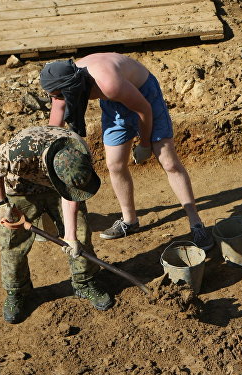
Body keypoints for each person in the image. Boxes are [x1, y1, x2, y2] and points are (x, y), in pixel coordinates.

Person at [39, 53, 213, 250]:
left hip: (144, 95)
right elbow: (54, 130)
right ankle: (130, 221)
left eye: (55, 95)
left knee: (169, 162)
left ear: (68, 88)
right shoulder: (60, 85)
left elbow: (144, 110)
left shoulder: (106, 82)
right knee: (115, 164)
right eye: (52, 96)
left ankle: (196, 223)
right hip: (114, 106)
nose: (54, 99)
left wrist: (145, 145)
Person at [0, 126, 114, 323]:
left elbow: (72, 194)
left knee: (80, 232)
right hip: (20, 186)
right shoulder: (16, 153)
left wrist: (70, 237)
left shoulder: (78, 151)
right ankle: (17, 291)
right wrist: (2, 203)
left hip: (57, 185)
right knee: (12, 240)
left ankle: (85, 281)